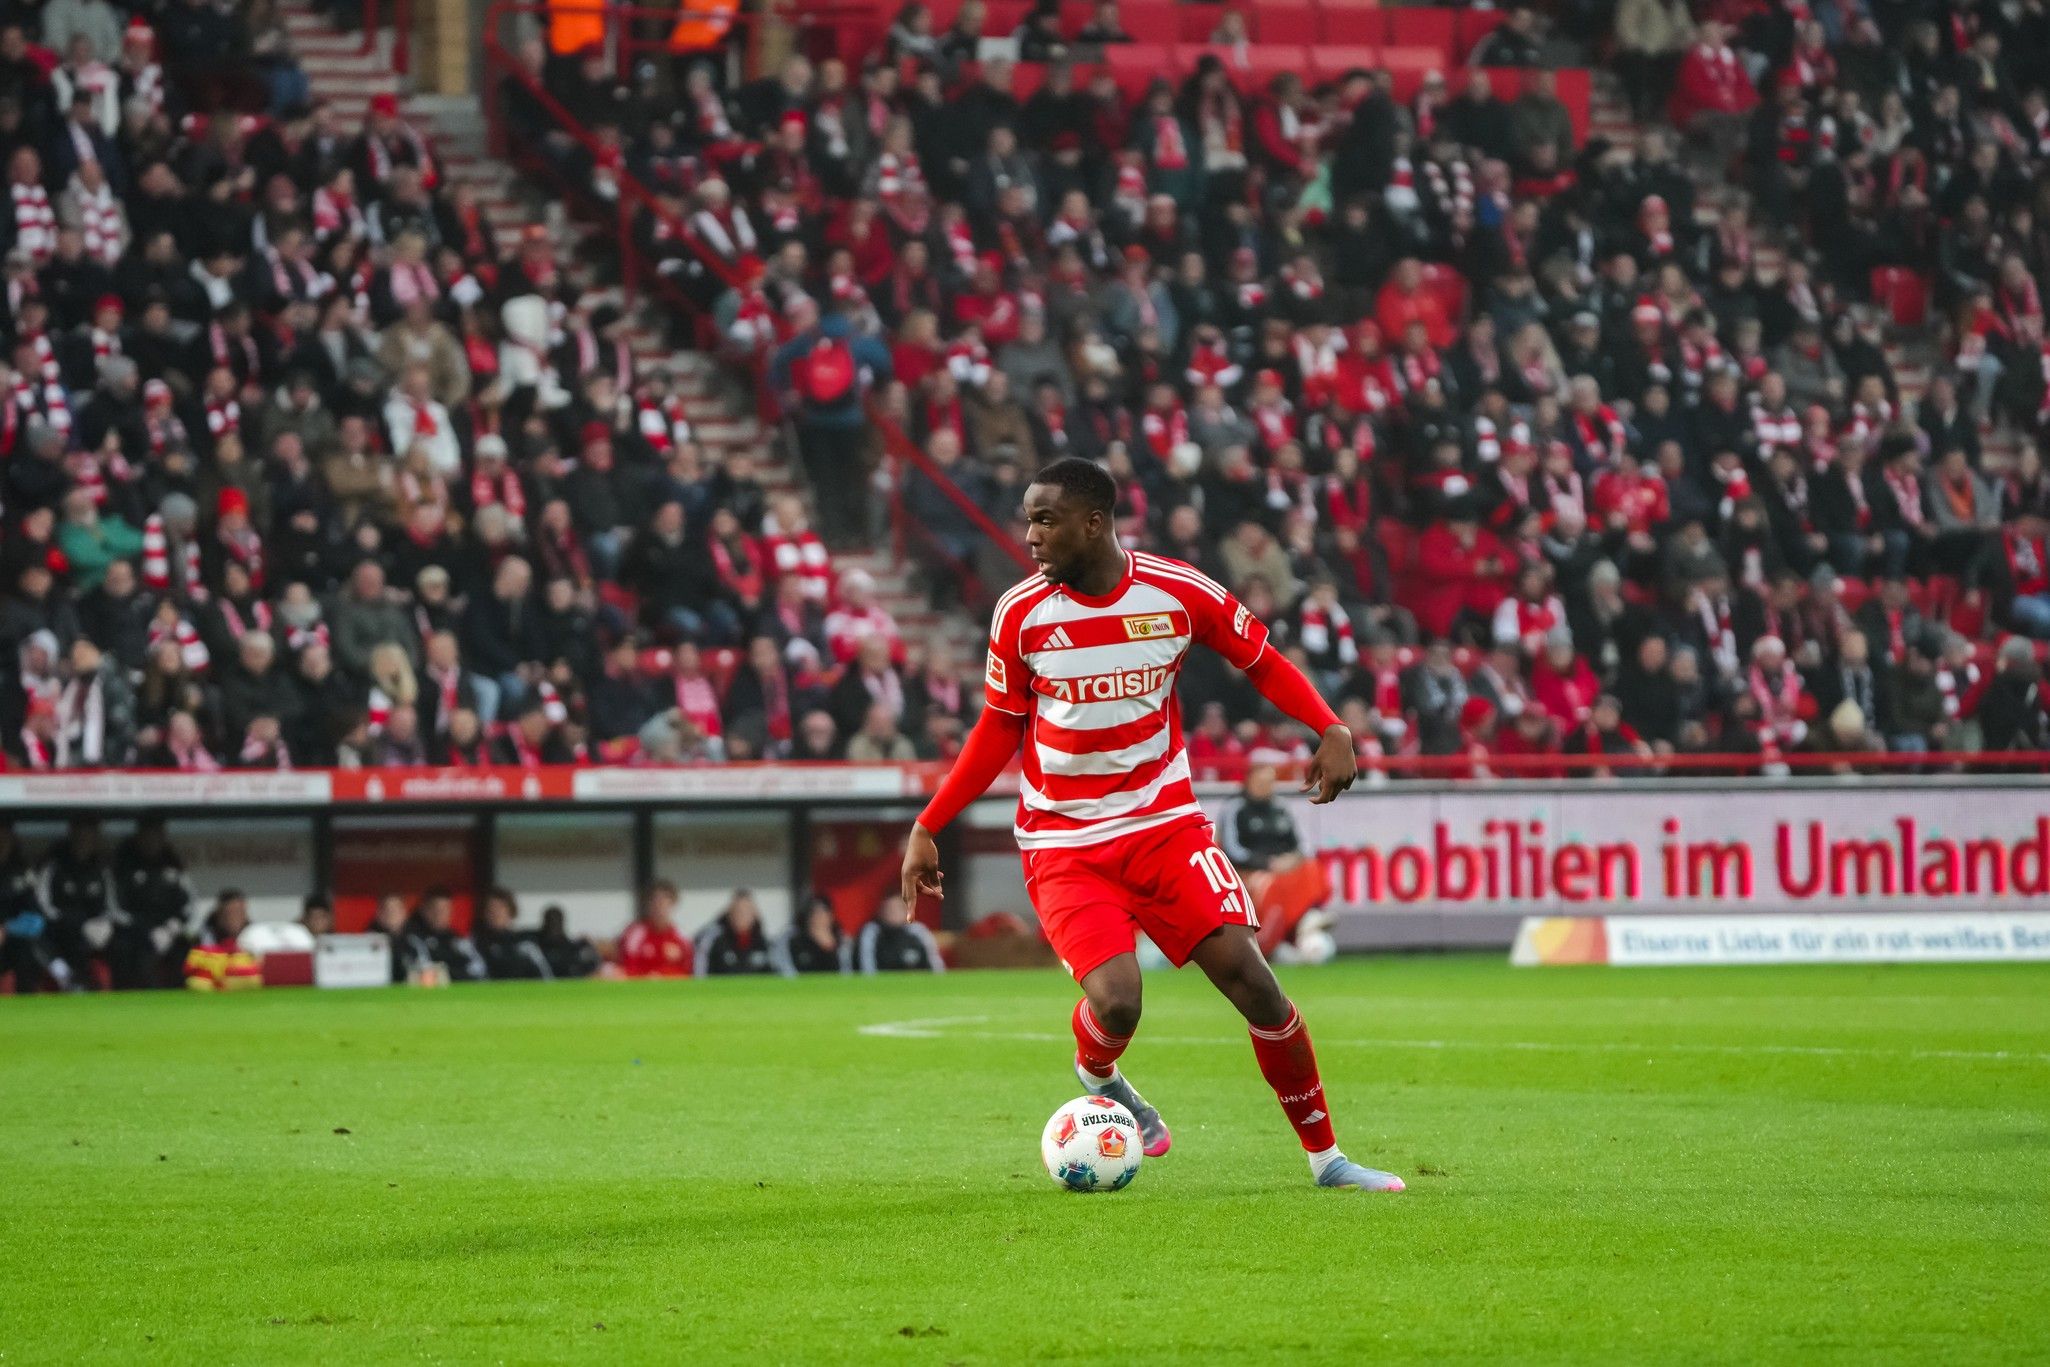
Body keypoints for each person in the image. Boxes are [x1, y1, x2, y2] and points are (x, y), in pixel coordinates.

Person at [899, 458, 1403, 1192]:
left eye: (1044, 520)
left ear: (1093, 522)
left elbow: (1258, 659)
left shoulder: (1177, 591)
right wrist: (929, 823)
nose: (1030, 536)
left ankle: (1328, 1160)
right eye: (1027, 520)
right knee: (1119, 1000)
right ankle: (1096, 1069)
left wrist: (1328, 725)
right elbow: (997, 728)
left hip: (1166, 826)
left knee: (1255, 984)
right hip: (1065, 842)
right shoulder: (1020, 613)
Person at [402, 887, 487, 982]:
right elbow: (423, 970)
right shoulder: (413, 938)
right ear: (424, 910)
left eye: (445, 909)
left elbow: (479, 969)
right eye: (435, 909)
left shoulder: (459, 940)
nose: (439, 914)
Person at [473, 886, 555, 980]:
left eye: (500, 908)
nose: (495, 913)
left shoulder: (525, 944)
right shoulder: (475, 944)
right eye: (490, 909)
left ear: (511, 911)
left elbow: (546, 976)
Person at [618, 880, 692, 977]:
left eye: (664, 900)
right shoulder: (635, 934)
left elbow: (688, 971)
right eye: (655, 900)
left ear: (673, 903)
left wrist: (665, 976)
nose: (659, 905)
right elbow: (626, 968)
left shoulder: (681, 936)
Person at [856, 894, 945, 973]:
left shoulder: (918, 931)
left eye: (897, 909)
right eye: (889, 909)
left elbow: (936, 965)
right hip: (883, 987)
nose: (893, 913)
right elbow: (867, 968)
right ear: (881, 911)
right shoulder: (871, 932)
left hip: (916, 986)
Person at [693, 889, 774, 975]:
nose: (741, 916)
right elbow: (700, 973)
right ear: (730, 913)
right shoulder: (715, 941)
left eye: (746, 911)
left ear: (754, 914)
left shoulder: (764, 944)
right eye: (738, 911)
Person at [774, 894, 850, 974]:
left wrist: (829, 946)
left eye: (823, 912)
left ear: (831, 916)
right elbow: (787, 971)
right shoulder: (794, 942)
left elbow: (847, 972)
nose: (819, 917)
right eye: (815, 912)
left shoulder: (843, 943)